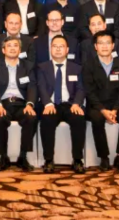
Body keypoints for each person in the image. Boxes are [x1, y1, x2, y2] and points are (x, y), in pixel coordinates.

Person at [36, 35, 87, 174]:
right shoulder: (42, 67)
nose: (58, 49)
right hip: (51, 104)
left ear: (67, 50)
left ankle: (77, 160)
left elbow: (81, 88)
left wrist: (77, 104)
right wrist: (47, 104)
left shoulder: (77, 68)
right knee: (47, 120)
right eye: (55, 46)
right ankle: (48, 160)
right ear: (50, 49)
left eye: (61, 46)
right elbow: (41, 87)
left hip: (70, 104)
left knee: (79, 119)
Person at [82, 31, 119, 171]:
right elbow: (89, 91)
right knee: (97, 119)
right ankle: (103, 157)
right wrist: (103, 110)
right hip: (96, 106)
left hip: (116, 105)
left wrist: (115, 110)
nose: (104, 46)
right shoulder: (89, 65)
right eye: (101, 43)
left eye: (107, 43)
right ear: (95, 46)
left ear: (113, 45)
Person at [0, 36, 39, 172]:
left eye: (15, 45)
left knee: (31, 118)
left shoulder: (28, 66)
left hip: (21, 104)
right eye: (9, 46)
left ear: (20, 49)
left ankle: (23, 157)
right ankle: (3, 157)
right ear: (3, 50)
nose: (12, 48)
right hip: (3, 103)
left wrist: (30, 104)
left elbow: (32, 87)